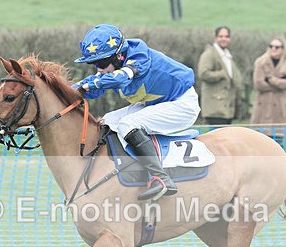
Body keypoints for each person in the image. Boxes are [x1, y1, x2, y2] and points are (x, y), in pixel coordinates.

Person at [74, 23, 200, 201]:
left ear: (119, 56)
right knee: (108, 120)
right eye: (94, 64)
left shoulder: (139, 57)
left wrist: (88, 84)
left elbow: (120, 77)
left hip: (181, 104)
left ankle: (161, 178)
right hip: (156, 104)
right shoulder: (113, 65)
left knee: (128, 124)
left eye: (102, 63)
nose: (99, 69)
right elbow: (95, 84)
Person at [250, 37, 286, 148]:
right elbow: (259, 84)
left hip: (279, 111)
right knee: (260, 146)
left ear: (283, 49)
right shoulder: (261, 62)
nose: (273, 49)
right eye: (271, 46)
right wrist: (280, 83)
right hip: (263, 110)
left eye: (277, 47)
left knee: (279, 147)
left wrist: (271, 80)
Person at [197, 26, 243, 125]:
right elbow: (203, 73)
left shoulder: (227, 56)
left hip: (226, 109)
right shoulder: (209, 54)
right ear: (215, 38)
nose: (223, 39)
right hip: (214, 109)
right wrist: (221, 74)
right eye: (220, 36)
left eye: (226, 36)